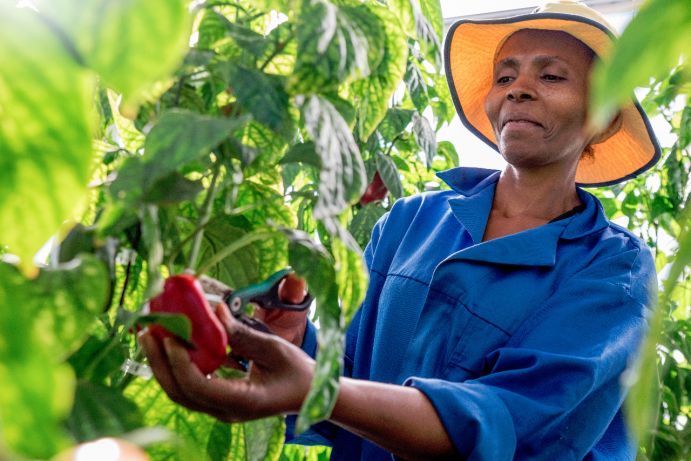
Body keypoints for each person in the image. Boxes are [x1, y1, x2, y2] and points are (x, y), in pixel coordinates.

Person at [139, 1, 662, 459]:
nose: (518, 90)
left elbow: (511, 421)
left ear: (601, 117)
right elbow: (352, 376)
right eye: (505, 77)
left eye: (550, 77)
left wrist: (316, 391)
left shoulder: (612, 267)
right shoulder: (412, 220)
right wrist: (293, 340)